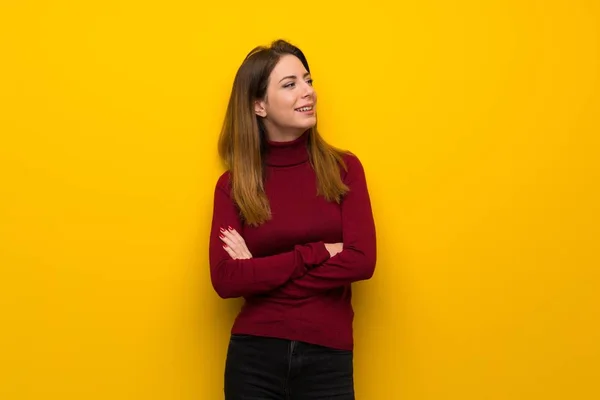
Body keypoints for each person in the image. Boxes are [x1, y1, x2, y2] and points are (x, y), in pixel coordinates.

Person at [208, 39, 377, 399]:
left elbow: (362, 261)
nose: (308, 92)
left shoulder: (344, 169)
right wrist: (317, 253)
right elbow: (224, 279)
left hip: (327, 358)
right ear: (259, 105)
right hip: (253, 358)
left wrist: (260, 274)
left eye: (308, 80)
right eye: (290, 84)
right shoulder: (234, 185)